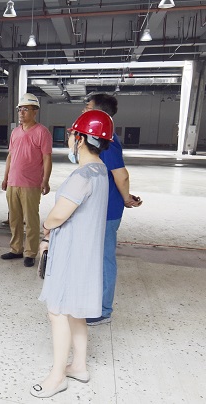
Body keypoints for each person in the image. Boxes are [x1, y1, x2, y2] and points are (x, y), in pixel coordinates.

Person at [30, 110, 113, 399]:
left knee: (57, 312)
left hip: (71, 252)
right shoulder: (101, 171)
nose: (69, 141)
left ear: (80, 139)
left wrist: (46, 226)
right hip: (86, 252)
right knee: (76, 311)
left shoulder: (83, 175)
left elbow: (58, 215)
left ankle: (57, 378)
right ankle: (79, 365)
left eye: (71, 136)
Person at [82, 94, 142, 326]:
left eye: (88, 108)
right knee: (96, 257)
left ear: (100, 113)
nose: (84, 111)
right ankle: (94, 302)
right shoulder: (98, 136)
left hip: (107, 211)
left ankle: (103, 310)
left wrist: (126, 198)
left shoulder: (107, 139)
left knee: (105, 258)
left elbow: (121, 174)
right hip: (99, 208)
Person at [1, 93, 52, 267]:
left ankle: (30, 252)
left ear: (35, 111)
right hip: (13, 182)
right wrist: (5, 177)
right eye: (20, 109)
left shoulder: (42, 132)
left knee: (31, 220)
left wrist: (45, 180)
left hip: (31, 183)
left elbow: (47, 158)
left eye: (25, 109)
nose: (21, 113)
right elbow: (10, 156)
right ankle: (16, 249)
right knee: (14, 219)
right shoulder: (15, 132)